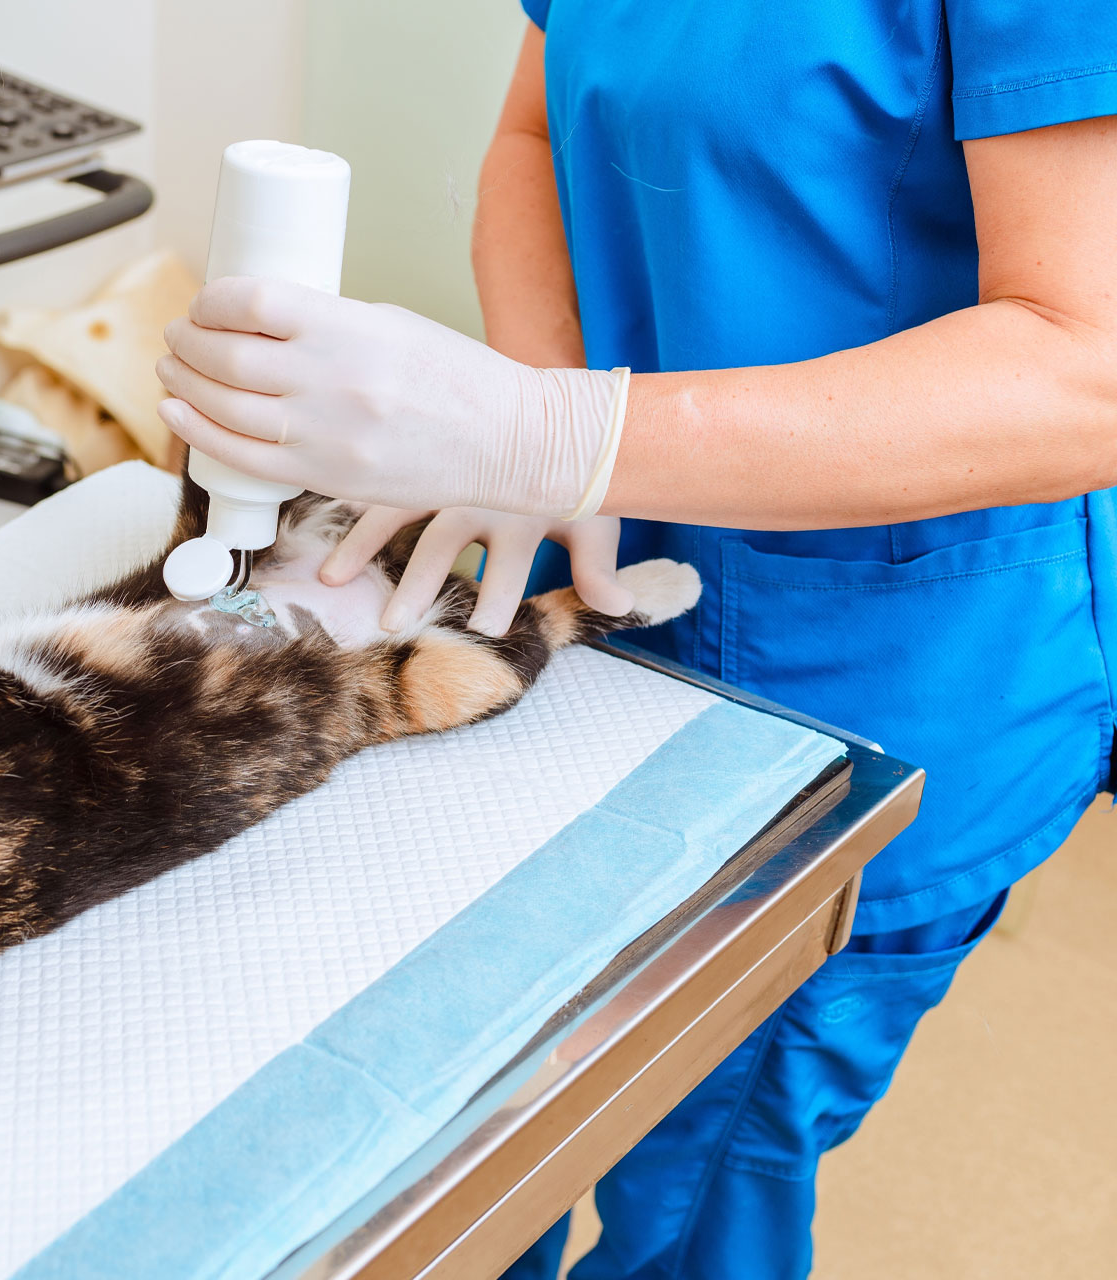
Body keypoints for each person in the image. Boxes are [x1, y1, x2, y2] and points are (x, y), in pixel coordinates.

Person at [154, 3, 1117, 1276]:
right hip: (596, 604)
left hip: (877, 666)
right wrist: (534, 398)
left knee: (690, 1192)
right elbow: (528, 132)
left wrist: (556, 435)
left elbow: (1086, 369)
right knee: (489, 1137)